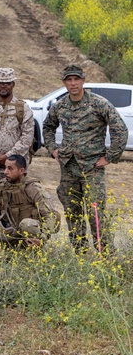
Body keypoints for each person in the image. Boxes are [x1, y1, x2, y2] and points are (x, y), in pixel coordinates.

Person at [44, 63, 128, 252]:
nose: (73, 84)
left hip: (92, 167)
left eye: (76, 79)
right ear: (64, 83)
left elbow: (120, 129)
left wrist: (110, 156)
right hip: (68, 168)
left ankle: (104, 254)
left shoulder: (99, 104)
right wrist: (53, 150)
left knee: (95, 212)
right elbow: (48, 127)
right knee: (73, 212)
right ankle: (80, 254)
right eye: (69, 80)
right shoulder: (60, 106)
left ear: (83, 81)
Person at [0, 154, 60, 260]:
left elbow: (50, 216)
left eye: (10, 168)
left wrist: (42, 239)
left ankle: (38, 253)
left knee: (27, 224)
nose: (5, 172)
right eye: (5, 167)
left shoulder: (33, 188)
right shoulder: (1, 187)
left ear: (21, 170)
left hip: (31, 235)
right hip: (10, 234)